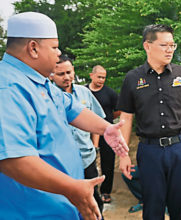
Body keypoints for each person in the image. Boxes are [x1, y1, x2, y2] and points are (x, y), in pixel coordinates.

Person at [0, 12, 128, 220]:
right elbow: (14, 159)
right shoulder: (7, 88)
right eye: (54, 47)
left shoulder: (38, 82)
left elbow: (72, 109)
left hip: (61, 207)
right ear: (33, 48)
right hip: (32, 212)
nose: (59, 53)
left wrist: (106, 129)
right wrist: (71, 188)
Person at [117, 24, 181, 220]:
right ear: (147, 46)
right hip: (150, 152)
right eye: (164, 45)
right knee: (152, 208)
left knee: (180, 207)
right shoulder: (133, 79)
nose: (169, 50)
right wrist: (123, 155)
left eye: (172, 45)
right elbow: (126, 118)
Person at [50, 54, 106, 214]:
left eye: (69, 72)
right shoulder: (46, 97)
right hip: (61, 163)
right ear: (51, 74)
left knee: (94, 198)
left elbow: (97, 120)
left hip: (87, 158)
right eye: (61, 74)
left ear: (73, 70)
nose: (66, 77)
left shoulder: (84, 93)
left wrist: (95, 146)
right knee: (67, 202)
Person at [87, 65, 120, 203]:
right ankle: (90, 191)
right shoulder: (83, 91)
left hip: (106, 132)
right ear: (91, 75)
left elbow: (118, 110)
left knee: (108, 161)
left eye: (104, 77)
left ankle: (106, 191)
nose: (101, 80)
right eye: (99, 77)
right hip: (87, 132)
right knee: (89, 162)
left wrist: (107, 120)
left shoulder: (110, 93)